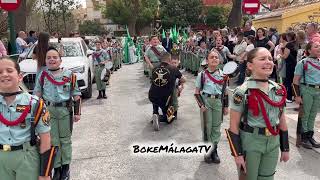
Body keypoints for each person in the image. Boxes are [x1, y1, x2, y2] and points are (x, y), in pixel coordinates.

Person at [226, 47, 289, 180]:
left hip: (273, 142)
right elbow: (233, 125)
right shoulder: (242, 91)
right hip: (251, 143)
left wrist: (285, 148)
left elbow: (282, 120)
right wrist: (237, 154)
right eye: (262, 59)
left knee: (268, 177)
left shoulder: (278, 89)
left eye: (270, 59)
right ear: (250, 65)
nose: (268, 62)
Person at [0, 58, 56, 180]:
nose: (4, 74)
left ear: (20, 76)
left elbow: (45, 138)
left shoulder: (34, 104)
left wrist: (45, 173)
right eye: (0, 72)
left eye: (9, 70)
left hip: (27, 157)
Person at [34, 48, 82, 180]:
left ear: (60, 60)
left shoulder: (70, 75)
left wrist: (77, 113)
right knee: (53, 141)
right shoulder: (42, 75)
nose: (52, 60)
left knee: (65, 140)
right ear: (45, 61)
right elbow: (37, 95)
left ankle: (66, 167)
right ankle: (57, 168)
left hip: (65, 111)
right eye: (49, 57)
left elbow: (76, 95)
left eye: (55, 57)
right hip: (48, 112)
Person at [194, 50, 229, 164]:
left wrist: (226, 106)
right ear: (207, 60)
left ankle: (215, 151)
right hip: (206, 102)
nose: (214, 59)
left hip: (218, 102)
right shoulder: (202, 74)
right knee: (206, 128)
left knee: (216, 127)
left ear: (219, 60)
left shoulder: (224, 76)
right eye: (211, 57)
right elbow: (197, 92)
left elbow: (226, 92)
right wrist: (201, 104)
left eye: (216, 57)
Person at [293, 41, 320, 149]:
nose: (319, 48)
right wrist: (297, 96)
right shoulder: (303, 63)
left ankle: (310, 136)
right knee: (305, 114)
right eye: (316, 46)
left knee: (313, 115)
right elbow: (295, 81)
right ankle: (304, 138)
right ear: (309, 50)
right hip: (307, 90)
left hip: (317, 91)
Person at [148, 52, 186, 131]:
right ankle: (163, 118)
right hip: (165, 99)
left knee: (155, 96)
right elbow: (183, 79)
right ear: (169, 59)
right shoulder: (173, 68)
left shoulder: (155, 68)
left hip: (152, 96)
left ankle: (155, 113)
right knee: (170, 119)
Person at [281, 32, 298, 103]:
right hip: (295, 64)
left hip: (289, 64)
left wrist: (280, 54)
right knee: (294, 81)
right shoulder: (296, 44)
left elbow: (285, 56)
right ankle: (294, 96)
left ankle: (289, 97)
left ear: (288, 37)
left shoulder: (288, 44)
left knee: (289, 80)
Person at [170, 55, 184, 119]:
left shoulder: (178, 71)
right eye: (172, 63)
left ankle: (175, 114)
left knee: (175, 101)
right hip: (168, 88)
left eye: (175, 63)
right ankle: (169, 113)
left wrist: (181, 87)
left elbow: (182, 80)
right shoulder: (168, 70)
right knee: (169, 101)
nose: (173, 64)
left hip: (175, 88)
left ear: (178, 63)